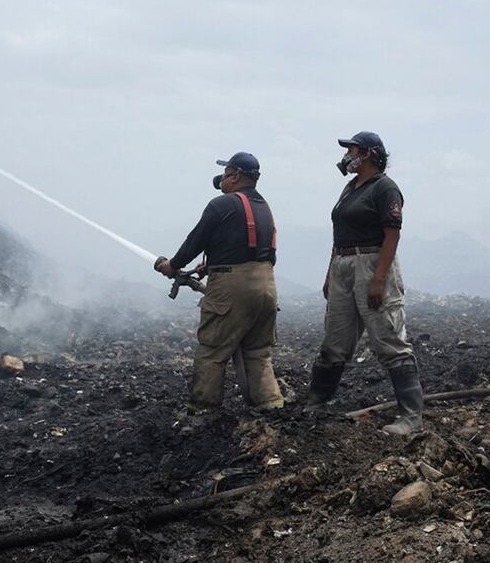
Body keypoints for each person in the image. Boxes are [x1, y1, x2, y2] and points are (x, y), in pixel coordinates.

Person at [305, 131, 425, 435]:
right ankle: (316, 403)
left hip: (372, 262)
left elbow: (392, 235)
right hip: (343, 264)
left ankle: (411, 416)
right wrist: (330, 273)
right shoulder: (349, 188)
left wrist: (378, 279)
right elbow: (339, 235)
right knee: (336, 338)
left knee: (387, 337)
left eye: (352, 149)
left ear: (369, 153)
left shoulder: (385, 188)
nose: (348, 155)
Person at [155, 152, 285, 413]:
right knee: (258, 351)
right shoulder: (263, 207)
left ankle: (202, 411)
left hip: (231, 288)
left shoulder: (221, 205)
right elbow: (260, 251)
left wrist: (171, 266)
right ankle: (270, 407)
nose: (222, 179)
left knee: (212, 351)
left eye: (226, 173)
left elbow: (194, 242)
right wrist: (211, 263)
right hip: (266, 286)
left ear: (235, 176)